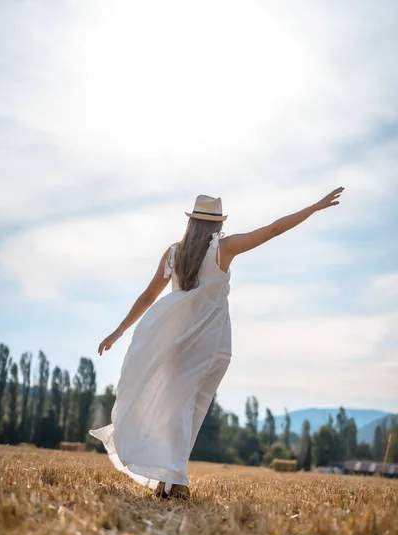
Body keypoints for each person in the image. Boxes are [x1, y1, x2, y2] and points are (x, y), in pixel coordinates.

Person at [89, 188, 344, 499]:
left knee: (175, 408)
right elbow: (274, 229)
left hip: (174, 343)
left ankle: (171, 480)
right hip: (211, 344)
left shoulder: (173, 254)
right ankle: (172, 481)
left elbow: (147, 297)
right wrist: (313, 208)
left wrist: (118, 332)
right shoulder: (224, 248)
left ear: (192, 222)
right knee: (187, 409)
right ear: (216, 224)